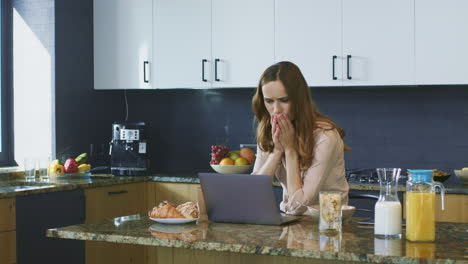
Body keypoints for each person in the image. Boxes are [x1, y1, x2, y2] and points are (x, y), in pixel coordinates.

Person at [251, 61, 350, 215]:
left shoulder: (325, 136)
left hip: (328, 224)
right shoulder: (269, 131)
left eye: (284, 100)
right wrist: (277, 150)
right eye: (269, 101)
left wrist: (290, 150)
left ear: (299, 100)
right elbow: (253, 193)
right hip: (290, 222)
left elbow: (298, 206)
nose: (276, 110)